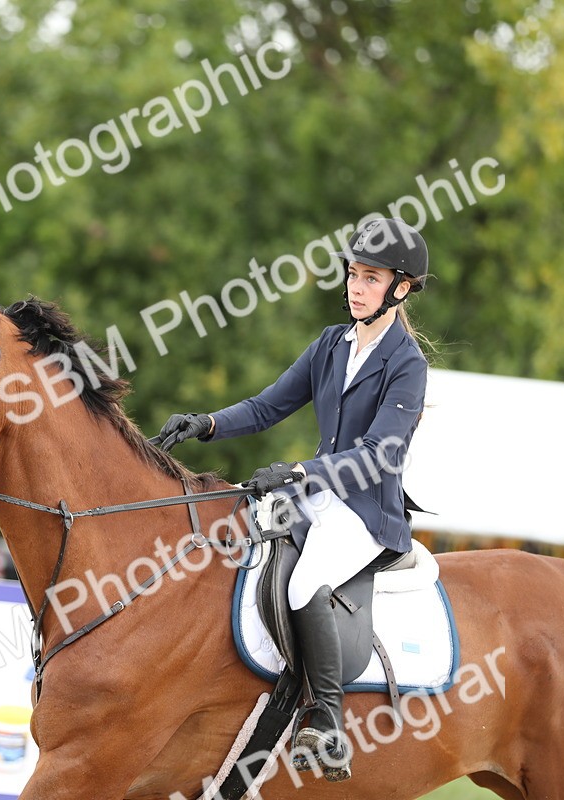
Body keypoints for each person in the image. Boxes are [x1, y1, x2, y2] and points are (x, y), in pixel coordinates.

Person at [152, 217, 431, 782]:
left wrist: (301, 470)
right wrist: (205, 424)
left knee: (305, 582)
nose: (355, 287)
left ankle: (327, 722)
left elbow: (380, 454)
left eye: (370, 278)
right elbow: (265, 408)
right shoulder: (331, 345)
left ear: (400, 288)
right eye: (353, 274)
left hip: (367, 515)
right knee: (239, 538)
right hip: (322, 498)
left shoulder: (407, 365)